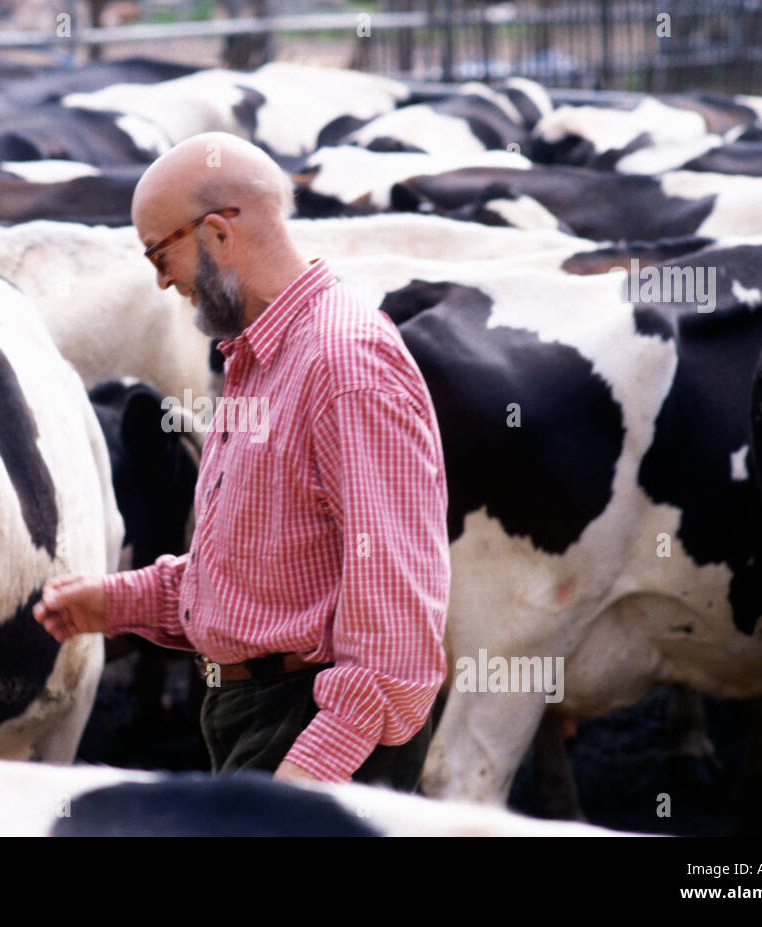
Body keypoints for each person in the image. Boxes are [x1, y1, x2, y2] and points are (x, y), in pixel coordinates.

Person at [33, 131, 450, 789]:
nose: (162, 280)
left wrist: (295, 789)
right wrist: (114, 603)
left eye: (159, 252)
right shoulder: (260, 357)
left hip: (318, 731)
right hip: (265, 712)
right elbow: (253, 580)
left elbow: (395, 647)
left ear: (219, 235)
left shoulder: (345, 365)